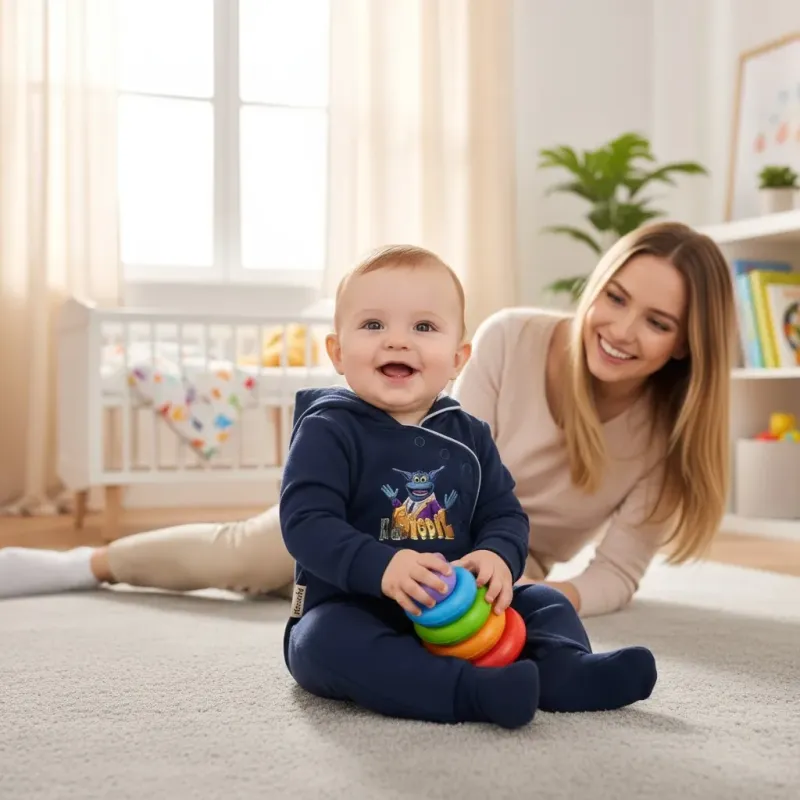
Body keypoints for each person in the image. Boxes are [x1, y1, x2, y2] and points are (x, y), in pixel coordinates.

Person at [0, 221, 737, 624]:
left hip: (500, 560)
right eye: (614, 297)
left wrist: (536, 591)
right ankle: (88, 564)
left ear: (686, 345)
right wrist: (375, 557)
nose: (620, 328)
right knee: (247, 561)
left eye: (657, 321)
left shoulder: (666, 440)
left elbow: (616, 574)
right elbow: (426, 452)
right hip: (382, 506)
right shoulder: (514, 338)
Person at [279, 244, 657, 729]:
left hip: (464, 612)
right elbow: (306, 524)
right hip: (359, 608)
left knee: (544, 601)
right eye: (373, 325)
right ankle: (469, 693)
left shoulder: (470, 433)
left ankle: (566, 672)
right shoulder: (328, 428)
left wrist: (499, 556)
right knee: (318, 645)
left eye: (424, 327)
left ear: (458, 359)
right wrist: (384, 566)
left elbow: (504, 514)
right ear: (336, 351)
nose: (397, 342)